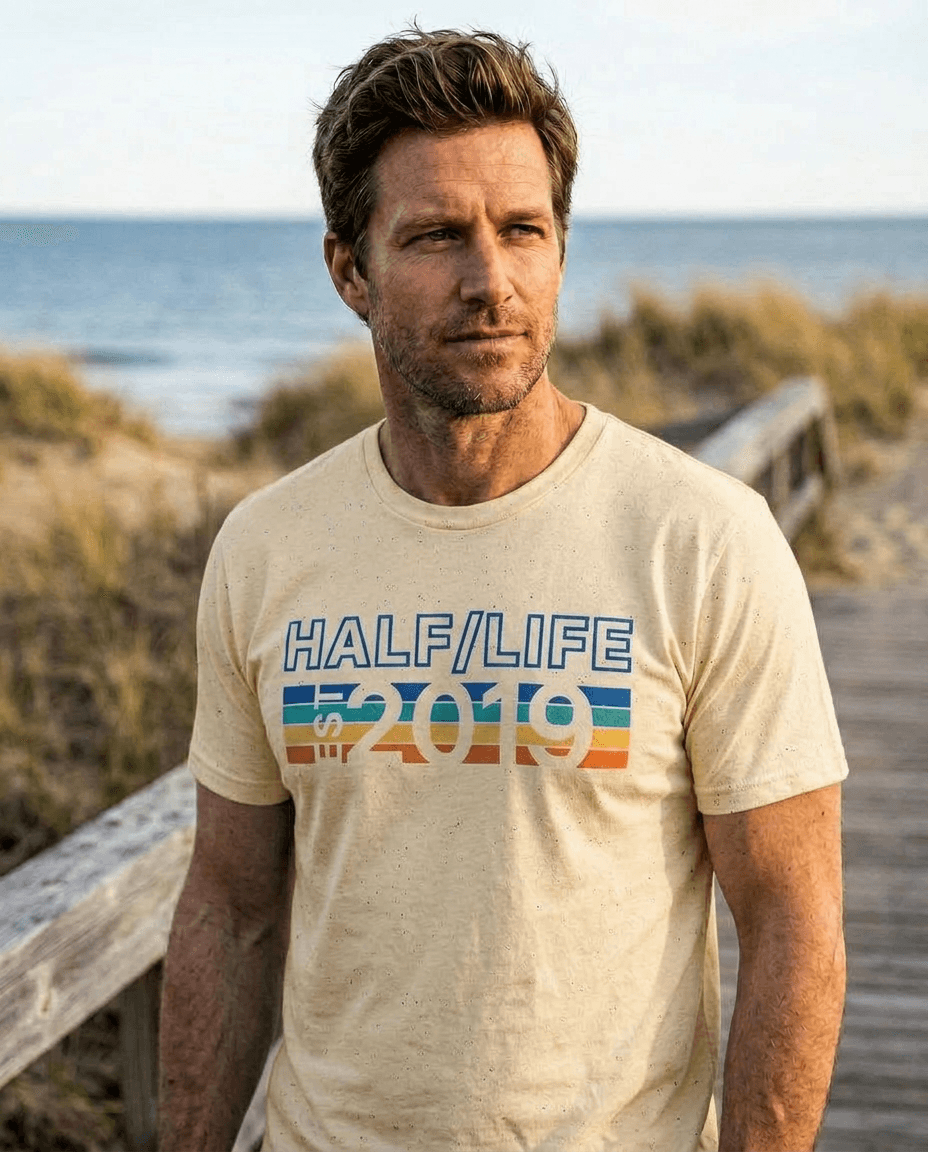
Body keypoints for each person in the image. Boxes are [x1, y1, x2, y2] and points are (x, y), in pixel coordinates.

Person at [158, 28, 847, 1152]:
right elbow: (228, 909)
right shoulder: (267, 547)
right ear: (350, 271)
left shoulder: (703, 539)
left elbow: (793, 923)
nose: (491, 282)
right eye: (436, 236)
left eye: (522, 229)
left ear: (560, 249)